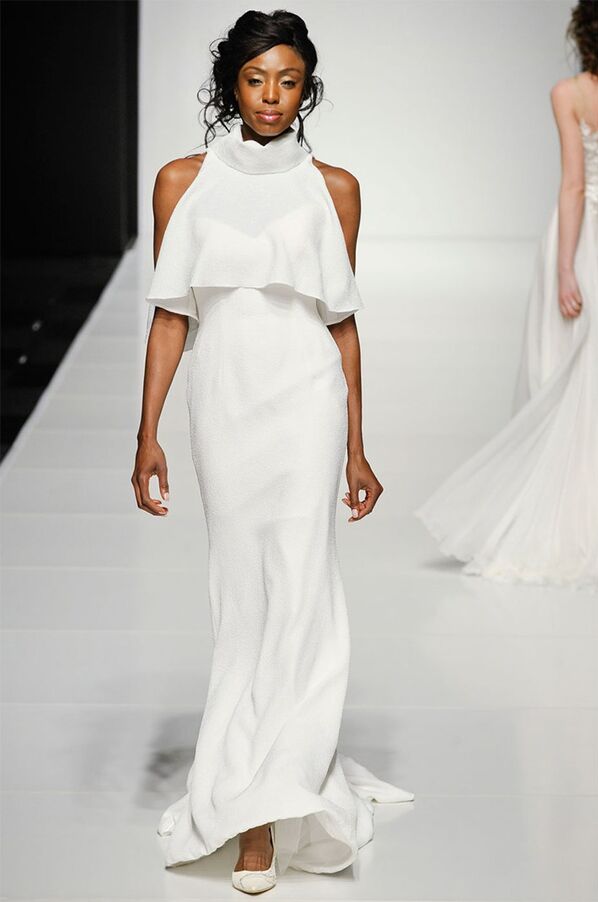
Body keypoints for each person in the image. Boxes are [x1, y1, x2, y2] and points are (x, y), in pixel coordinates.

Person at [132, 10, 414, 895]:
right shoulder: (182, 181)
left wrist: (357, 447)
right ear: (232, 85)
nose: (270, 97)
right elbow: (171, 315)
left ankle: (265, 812)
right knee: (243, 597)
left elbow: (343, 322)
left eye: (288, 81)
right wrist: (146, 433)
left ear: (307, 89)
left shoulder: (336, 188)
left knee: (302, 591)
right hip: (224, 401)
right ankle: (252, 775)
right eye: (256, 80)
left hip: (306, 402)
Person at [416, 1, 598, 588]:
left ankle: (564, 509)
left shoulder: (569, 94)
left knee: (566, 377)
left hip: (583, 241)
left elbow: (574, 186)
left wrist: (566, 269)